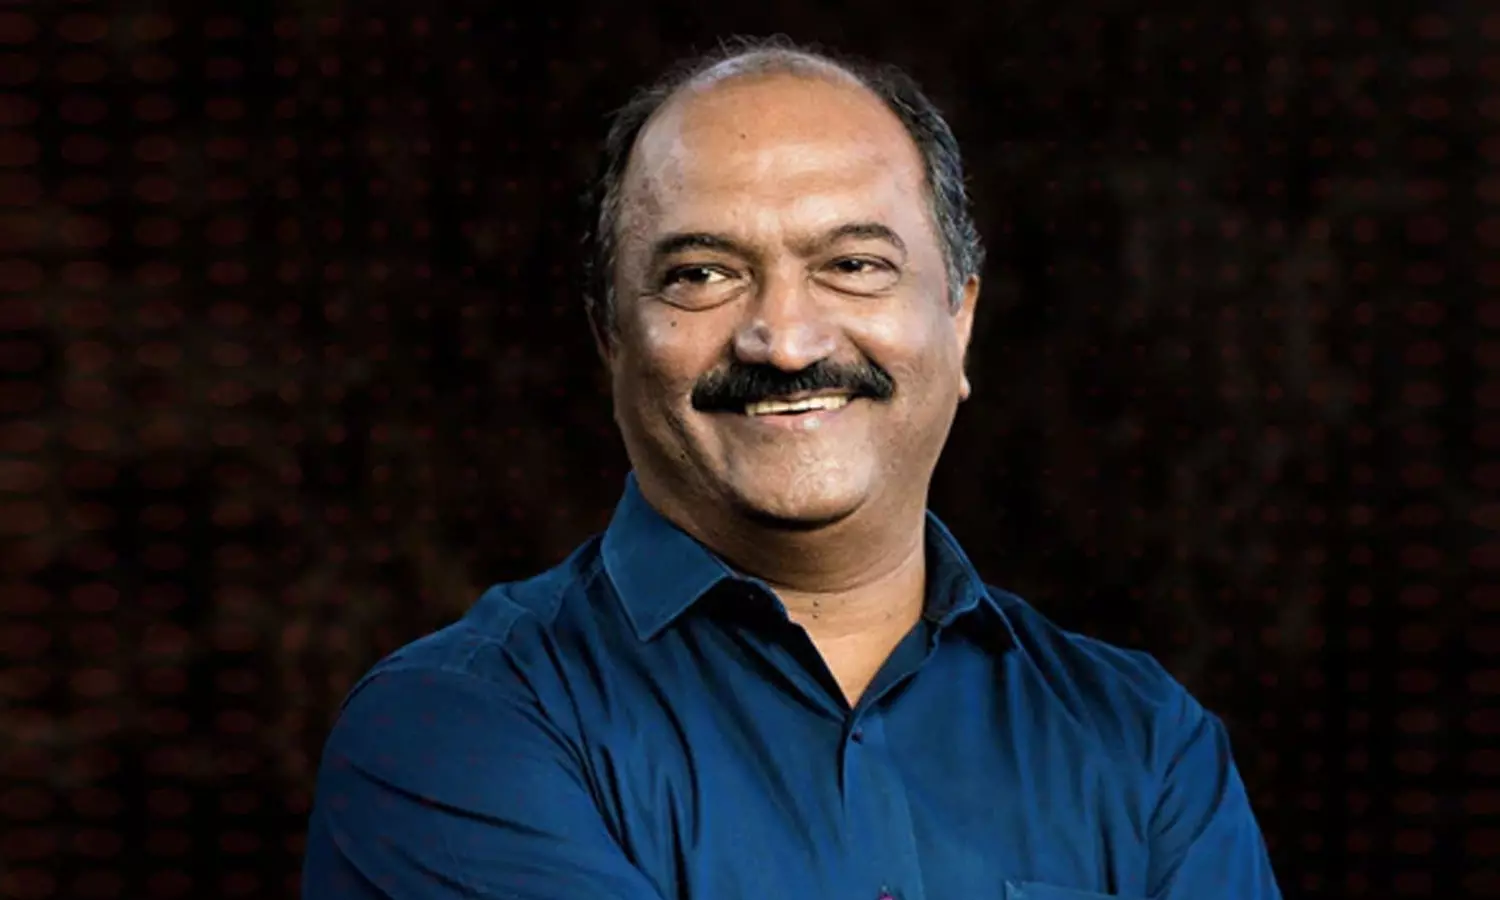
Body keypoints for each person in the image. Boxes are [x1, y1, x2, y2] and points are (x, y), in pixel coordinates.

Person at [301, 37, 1283, 900]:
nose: (784, 340)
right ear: (611, 341)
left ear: (960, 321)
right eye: (703, 275)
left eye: (853, 265)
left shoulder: (1147, 746)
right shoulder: (454, 726)